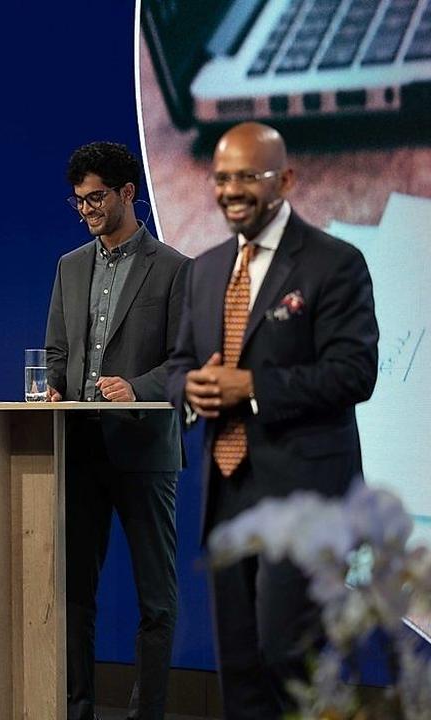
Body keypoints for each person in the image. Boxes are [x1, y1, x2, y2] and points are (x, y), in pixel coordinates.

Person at [165, 122, 379, 719]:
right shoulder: (205, 269)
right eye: (221, 178)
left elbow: (354, 373)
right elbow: (179, 363)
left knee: (292, 657)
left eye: (247, 177)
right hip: (228, 493)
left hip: (307, 496)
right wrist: (190, 389)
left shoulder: (334, 262)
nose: (231, 191)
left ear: (284, 179)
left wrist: (254, 387)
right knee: (239, 666)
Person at [44, 142, 190, 720]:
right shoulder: (69, 266)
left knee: (156, 599)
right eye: (79, 201)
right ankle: (76, 708)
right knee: (75, 593)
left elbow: (189, 361)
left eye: (96, 197)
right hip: (79, 447)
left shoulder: (174, 267)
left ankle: (145, 713)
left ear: (128, 193)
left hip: (145, 450)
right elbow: (58, 351)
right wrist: (54, 387)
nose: (87, 209)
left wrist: (138, 387)